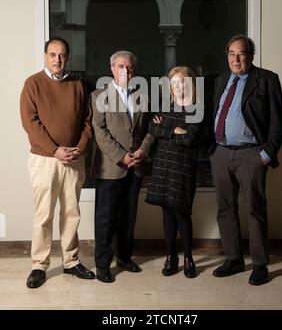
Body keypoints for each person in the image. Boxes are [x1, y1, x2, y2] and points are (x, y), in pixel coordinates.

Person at [210, 35, 282, 285]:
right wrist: (213, 149)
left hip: (250, 154)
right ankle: (233, 259)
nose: (236, 58)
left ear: (251, 55)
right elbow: (216, 112)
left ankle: (260, 265)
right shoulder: (222, 80)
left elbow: (277, 121)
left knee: (255, 210)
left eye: (241, 53)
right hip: (221, 153)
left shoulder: (266, 79)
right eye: (231, 53)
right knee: (225, 209)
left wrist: (265, 155)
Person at [20, 37, 95, 289]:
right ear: (44, 56)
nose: (57, 60)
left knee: (71, 213)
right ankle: (39, 265)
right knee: (43, 214)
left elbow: (87, 121)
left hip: (73, 158)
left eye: (62, 55)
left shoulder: (77, 85)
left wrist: (80, 148)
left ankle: (71, 261)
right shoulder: (33, 84)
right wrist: (54, 150)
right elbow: (30, 123)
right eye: (53, 54)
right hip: (44, 160)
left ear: (68, 57)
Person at [91, 50, 153, 283]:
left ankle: (125, 258)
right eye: (120, 66)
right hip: (110, 167)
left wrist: (142, 151)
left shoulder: (143, 96)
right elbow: (100, 132)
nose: (125, 70)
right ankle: (103, 264)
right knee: (106, 218)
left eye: (129, 67)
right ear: (112, 69)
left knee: (128, 216)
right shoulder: (98, 96)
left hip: (135, 166)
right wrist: (121, 156)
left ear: (133, 71)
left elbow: (149, 130)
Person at [145, 66, 204, 278]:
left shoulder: (198, 109)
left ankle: (188, 258)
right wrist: (173, 130)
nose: (179, 86)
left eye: (183, 82)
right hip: (163, 165)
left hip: (183, 167)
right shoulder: (165, 107)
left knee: (182, 213)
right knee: (167, 213)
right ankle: (171, 257)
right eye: (175, 83)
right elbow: (152, 129)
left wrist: (165, 130)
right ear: (170, 87)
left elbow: (189, 139)